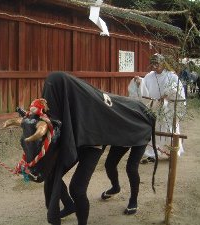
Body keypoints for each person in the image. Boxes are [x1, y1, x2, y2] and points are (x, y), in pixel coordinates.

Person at [40, 72, 156, 225]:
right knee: (109, 164)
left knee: (131, 168)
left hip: (137, 129)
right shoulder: (76, 102)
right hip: (115, 133)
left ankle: (133, 199)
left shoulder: (83, 99)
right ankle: (113, 188)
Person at [129, 53, 186, 163]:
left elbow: (178, 91)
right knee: (153, 131)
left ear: (163, 64)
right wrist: (139, 82)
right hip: (153, 107)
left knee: (169, 130)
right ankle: (152, 154)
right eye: (153, 64)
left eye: (157, 64)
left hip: (168, 109)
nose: (155, 66)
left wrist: (167, 94)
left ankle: (171, 152)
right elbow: (144, 88)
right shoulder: (149, 76)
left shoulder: (172, 76)